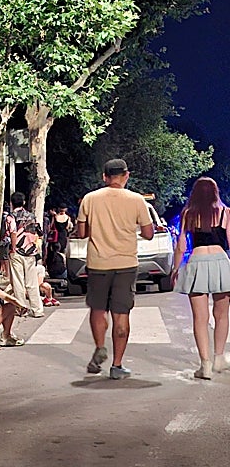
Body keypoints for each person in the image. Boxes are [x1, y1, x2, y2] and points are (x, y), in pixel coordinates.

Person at [76, 158, 154, 379]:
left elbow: (81, 233)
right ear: (126, 175)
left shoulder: (89, 199)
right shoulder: (137, 200)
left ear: (104, 177)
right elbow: (148, 233)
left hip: (98, 263)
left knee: (98, 309)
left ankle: (100, 347)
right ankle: (117, 365)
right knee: (122, 314)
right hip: (126, 264)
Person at [172, 177, 230, 379]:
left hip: (197, 263)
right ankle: (219, 358)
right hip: (221, 262)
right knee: (221, 315)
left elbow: (181, 246)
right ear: (215, 193)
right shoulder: (226, 213)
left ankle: (204, 364)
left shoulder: (188, 214)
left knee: (200, 318)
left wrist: (175, 269)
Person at [6, 192, 44, 318]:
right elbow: (40, 232)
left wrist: (13, 247)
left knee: (18, 282)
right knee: (32, 282)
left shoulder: (11, 217)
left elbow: (12, 232)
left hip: (17, 251)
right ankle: (37, 309)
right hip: (30, 251)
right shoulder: (31, 216)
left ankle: (22, 308)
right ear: (23, 202)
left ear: (11, 203)